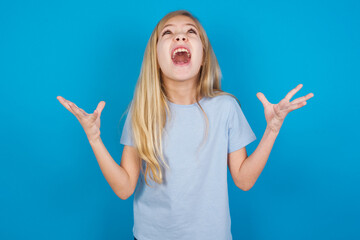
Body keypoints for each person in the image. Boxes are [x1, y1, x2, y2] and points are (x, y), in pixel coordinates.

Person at [57, 9, 314, 240]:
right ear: (156, 58)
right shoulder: (143, 110)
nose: (180, 37)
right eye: (168, 33)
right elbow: (124, 188)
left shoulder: (226, 107)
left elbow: (244, 180)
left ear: (203, 57)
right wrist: (94, 138)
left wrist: (272, 129)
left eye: (190, 32)